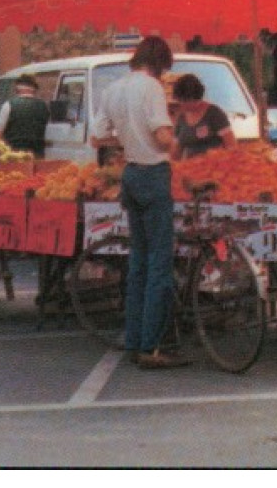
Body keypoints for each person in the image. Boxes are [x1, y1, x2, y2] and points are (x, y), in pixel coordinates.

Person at [90, 35, 186, 369]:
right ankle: (151, 347)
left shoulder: (113, 90)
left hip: (130, 175)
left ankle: (134, 339)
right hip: (153, 175)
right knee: (160, 262)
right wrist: (176, 147)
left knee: (138, 262)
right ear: (159, 64)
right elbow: (161, 136)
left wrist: (127, 138)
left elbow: (96, 136)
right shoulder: (152, 88)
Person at [170, 73, 235, 160]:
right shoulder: (181, 117)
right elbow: (176, 151)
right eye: (179, 100)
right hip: (190, 168)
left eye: (184, 100)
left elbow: (231, 145)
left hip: (214, 169)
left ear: (193, 98)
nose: (180, 104)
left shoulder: (214, 113)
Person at [0, 75, 51, 156]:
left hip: (14, 155)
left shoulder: (9, 105)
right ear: (34, 90)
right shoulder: (43, 106)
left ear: (17, 89)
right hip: (37, 154)